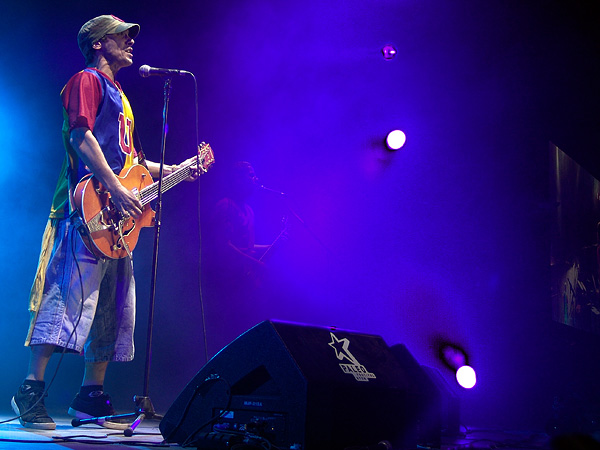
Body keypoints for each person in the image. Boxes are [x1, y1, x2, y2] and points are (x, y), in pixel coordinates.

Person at [11, 15, 198, 430]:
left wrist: (182, 167)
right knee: (64, 298)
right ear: (99, 44)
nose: (131, 41)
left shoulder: (122, 97)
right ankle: (30, 390)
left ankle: (90, 398)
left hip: (116, 218)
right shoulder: (86, 80)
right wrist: (114, 188)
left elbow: (136, 164)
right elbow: (81, 137)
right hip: (86, 208)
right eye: (121, 36)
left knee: (113, 307)